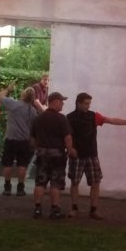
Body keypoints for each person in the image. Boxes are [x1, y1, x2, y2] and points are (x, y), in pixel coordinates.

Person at [66, 92, 126, 220]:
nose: (88, 106)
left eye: (89, 103)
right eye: (86, 104)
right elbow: (66, 135)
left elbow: (110, 120)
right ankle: (74, 208)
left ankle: (93, 210)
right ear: (78, 103)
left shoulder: (93, 116)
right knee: (75, 182)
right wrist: (69, 149)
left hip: (91, 154)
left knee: (95, 182)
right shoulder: (69, 118)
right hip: (77, 155)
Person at [30, 91, 76, 219]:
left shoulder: (38, 118)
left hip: (42, 154)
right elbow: (67, 137)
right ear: (55, 102)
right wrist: (70, 150)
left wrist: (37, 148)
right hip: (57, 155)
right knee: (55, 183)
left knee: (40, 182)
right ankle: (54, 209)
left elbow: (33, 139)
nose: (62, 104)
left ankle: (37, 209)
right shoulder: (61, 118)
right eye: (61, 101)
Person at [0, 86, 38, 196]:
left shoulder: (13, 104)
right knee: (22, 165)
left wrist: (7, 89)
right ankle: (20, 188)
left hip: (11, 138)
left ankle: (7, 187)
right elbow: (33, 127)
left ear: (23, 94)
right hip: (24, 140)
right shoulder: (32, 111)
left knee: (8, 164)